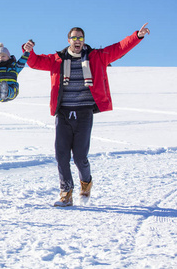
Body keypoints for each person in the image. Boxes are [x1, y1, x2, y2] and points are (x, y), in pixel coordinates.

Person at [23, 23, 150, 207]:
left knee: (80, 157)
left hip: (84, 113)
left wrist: (137, 36)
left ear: (83, 41)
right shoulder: (57, 59)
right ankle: (66, 193)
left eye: (80, 37)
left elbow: (119, 48)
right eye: (74, 37)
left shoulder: (96, 57)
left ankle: (86, 182)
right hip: (63, 113)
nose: (77, 41)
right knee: (61, 156)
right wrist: (28, 51)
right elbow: (34, 62)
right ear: (68, 40)